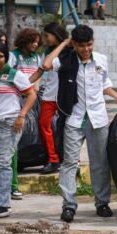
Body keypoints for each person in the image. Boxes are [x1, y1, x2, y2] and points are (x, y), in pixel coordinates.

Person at [41, 25, 117, 223]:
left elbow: (105, 84)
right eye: (81, 46)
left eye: (89, 45)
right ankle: (69, 205)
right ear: (74, 44)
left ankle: (102, 203)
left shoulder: (101, 60)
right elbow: (46, 65)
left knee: (100, 163)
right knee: (69, 163)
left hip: (98, 118)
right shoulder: (66, 60)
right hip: (74, 118)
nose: (86, 49)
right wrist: (64, 43)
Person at [0, 40, 37, 218]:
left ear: (6, 57)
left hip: (9, 122)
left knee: (3, 162)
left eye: (0, 56)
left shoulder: (14, 74)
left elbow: (31, 94)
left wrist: (21, 115)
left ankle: (3, 204)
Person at [29, 23, 69, 174]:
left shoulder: (70, 50)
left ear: (55, 34)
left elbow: (48, 64)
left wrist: (64, 43)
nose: (45, 39)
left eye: (47, 35)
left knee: (67, 128)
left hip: (66, 96)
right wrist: (23, 84)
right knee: (44, 125)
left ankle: (71, 160)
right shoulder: (48, 51)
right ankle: (53, 160)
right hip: (50, 95)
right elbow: (41, 70)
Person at [9, 28, 43, 200]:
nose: (35, 44)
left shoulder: (37, 57)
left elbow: (38, 78)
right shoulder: (13, 56)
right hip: (17, 101)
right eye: (32, 41)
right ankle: (12, 183)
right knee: (12, 144)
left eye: (37, 41)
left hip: (32, 100)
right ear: (24, 41)